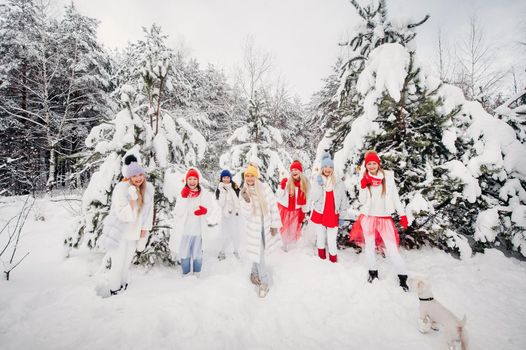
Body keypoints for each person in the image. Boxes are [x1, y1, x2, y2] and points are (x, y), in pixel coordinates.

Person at [355, 150, 410, 291]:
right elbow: (361, 200)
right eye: (369, 164)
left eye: (374, 163)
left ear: (378, 164)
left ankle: (403, 277)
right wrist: (362, 185)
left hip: (385, 219)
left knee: (392, 249)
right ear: (366, 165)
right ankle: (373, 272)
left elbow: (396, 198)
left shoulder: (388, 178)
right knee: (369, 246)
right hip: (368, 217)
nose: (372, 166)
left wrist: (402, 215)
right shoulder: (364, 177)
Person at [103, 154, 154, 295]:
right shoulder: (121, 188)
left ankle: (123, 287)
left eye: (140, 174)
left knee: (126, 264)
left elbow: (149, 212)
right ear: (129, 177)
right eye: (134, 176)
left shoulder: (148, 190)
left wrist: (145, 229)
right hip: (119, 232)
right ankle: (114, 290)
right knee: (118, 264)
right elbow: (121, 214)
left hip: (133, 233)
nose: (138, 178)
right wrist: (132, 200)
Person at [239, 163, 281, 298]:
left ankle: (254, 274)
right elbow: (246, 214)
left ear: (256, 176)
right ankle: (264, 283)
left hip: (266, 226)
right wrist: (246, 200)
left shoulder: (265, 188)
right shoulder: (244, 191)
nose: (249, 178)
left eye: (252, 175)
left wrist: (274, 224)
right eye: (247, 176)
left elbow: (273, 207)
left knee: (259, 253)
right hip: (253, 229)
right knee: (260, 255)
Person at [171, 168, 213, 277]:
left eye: (195, 179)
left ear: (198, 181)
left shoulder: (204, 194)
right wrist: (184, 198)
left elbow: (210, 208)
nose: (192, 181)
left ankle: (197, 273)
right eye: (190, 179)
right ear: (186, 180)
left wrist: (205, 211)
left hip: (198, 230)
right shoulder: (182, 194)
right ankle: (186, 273)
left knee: (197, 254)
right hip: (185, 230)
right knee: (184, 254)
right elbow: (178, 212)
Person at [309, 152, 349, 263]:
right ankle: (321, 259)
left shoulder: (339, 183)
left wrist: (342, 216)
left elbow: (343, 201)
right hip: (320, 212)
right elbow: (313, 197)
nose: (328, 169)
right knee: (320, 237)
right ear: (322, 168)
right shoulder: (318, 181)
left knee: (331, 240)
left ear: (333, 169)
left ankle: (333, 260)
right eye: (325, 166)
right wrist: (319, 185)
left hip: (333, 214)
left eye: (330, 167)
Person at [276, 160, 310, 251]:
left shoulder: (304, 183)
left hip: (296, 210)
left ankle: (291, 246)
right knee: (284, 228)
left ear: (300, 171)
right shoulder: (287, 181)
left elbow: (306, 198)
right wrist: (282, 187)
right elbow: (278, 195)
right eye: (292, 170)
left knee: (293, 228)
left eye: (296, 169)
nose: (294, 171)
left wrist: (304, 211)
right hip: (285, 209)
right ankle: (283, 244)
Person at [216, 169, 241, 260]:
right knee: (226, 233)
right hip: (226, 215)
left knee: (236, 233)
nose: (226, 179)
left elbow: (239, 199)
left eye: (227, 177)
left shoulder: (234, 187)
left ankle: (235, 250)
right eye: (224, 177)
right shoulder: (219, 189)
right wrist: (223, 191)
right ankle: (222, 251)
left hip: (235, 214)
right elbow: (221, 204)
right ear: (221, 178)